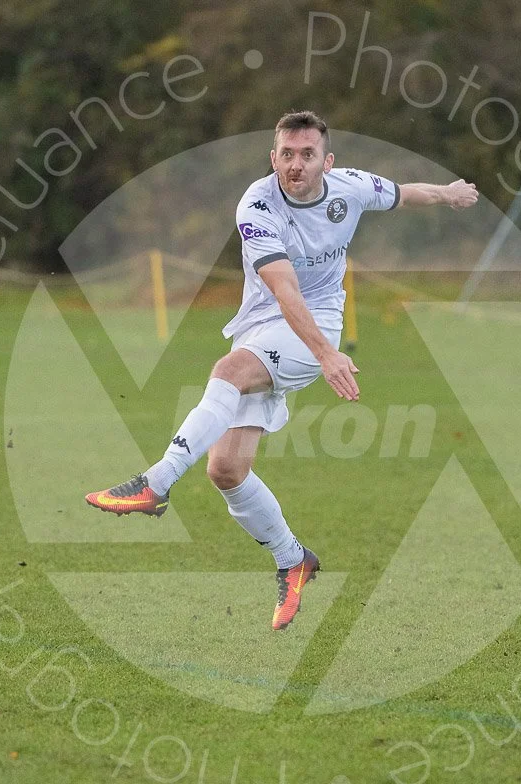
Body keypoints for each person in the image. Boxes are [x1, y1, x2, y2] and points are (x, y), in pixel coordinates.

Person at [82, 111, 479, 631]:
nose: (296, 165)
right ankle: (294, 560)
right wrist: (327, 355)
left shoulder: (351, 189)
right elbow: (283, 289)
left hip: (316, 328)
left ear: (326, 161)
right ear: (273, 158)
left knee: (228, 370)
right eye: (286, 155)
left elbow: (404, 193)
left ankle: (154, 484)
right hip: (268, 322)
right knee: (226, 470)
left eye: (307, 155)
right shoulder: (257, 204)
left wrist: (447, 193)